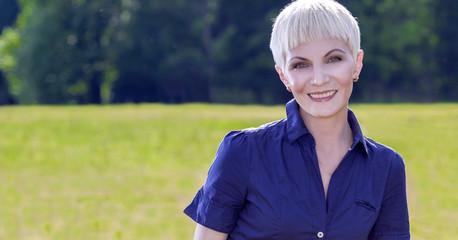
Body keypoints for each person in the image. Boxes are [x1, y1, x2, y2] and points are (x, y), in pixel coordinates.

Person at [184, 0, 410, 239]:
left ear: (357, 64)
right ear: (283, 76)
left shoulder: (386, 166)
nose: (319, 79)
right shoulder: (242, 152)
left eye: (333, 59)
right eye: (301, 65)